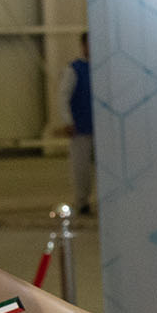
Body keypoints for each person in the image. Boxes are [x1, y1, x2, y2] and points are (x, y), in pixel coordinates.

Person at [52, 32, 94, 216]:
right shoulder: (74, 70)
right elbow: (63, 97)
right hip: (81, 127)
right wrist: (68, 121)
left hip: (102, 129)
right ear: (83, 46)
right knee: (81, 167)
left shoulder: (104, 68)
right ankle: (82, 201)